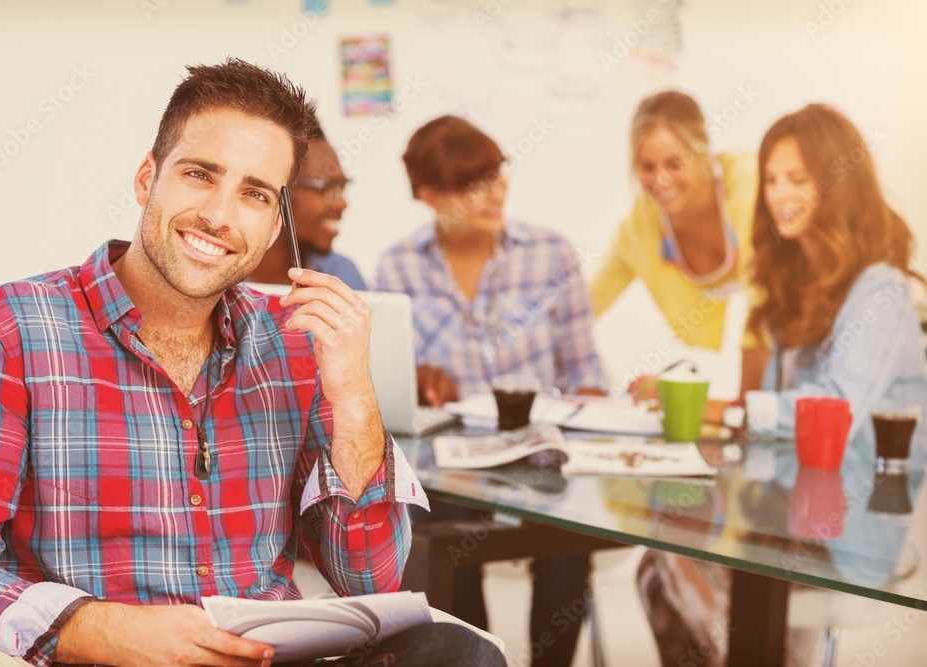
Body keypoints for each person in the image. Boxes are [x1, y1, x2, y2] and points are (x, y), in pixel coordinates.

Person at [0, 60, 505, 667]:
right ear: (148, 178)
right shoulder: (8, 329)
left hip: (268, 656)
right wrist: (99, 629)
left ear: (274, 218)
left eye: (255, 193)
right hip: (108, 659)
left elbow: (370, 580)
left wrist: (354, 395)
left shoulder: (293, 344)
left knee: (455, 654)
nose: (221, 216)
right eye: (201, 175)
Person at [637, 103, 927, 667]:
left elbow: (837, 408)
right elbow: (776, 433)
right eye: (771, 178)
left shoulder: (882, 291)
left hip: (861, 526)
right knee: (663, 558)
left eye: (797, 179)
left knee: (688, 566)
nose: (778, 194)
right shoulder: (788, 287)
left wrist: (730, 414)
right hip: (792, 510)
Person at [376, 115, 605, 667]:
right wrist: (417, 381)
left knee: (569, 539)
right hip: (447, 475)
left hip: (541, 468)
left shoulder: (552, 255)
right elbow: (391, 398)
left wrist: (589, 408)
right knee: (429, 534)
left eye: (496, 175)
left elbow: (587, 375)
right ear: (428, 195)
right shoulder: (397, 267)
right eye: (470, 184)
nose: (494, 193)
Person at [589, 90, 768, 399]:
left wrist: (743, 410)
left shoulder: (749, 184)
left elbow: (764, 304)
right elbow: (583, 307)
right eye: (647, 167)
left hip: (797, 337)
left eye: (674, 164)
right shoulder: (638, 227)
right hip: (722, 369)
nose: (660, 181)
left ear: (703, 152)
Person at [249, 121, 367, 290]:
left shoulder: (343, 275)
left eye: (341, 187)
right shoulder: (220, 278)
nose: (342, 203)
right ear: (279, 193)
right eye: (328, 187)